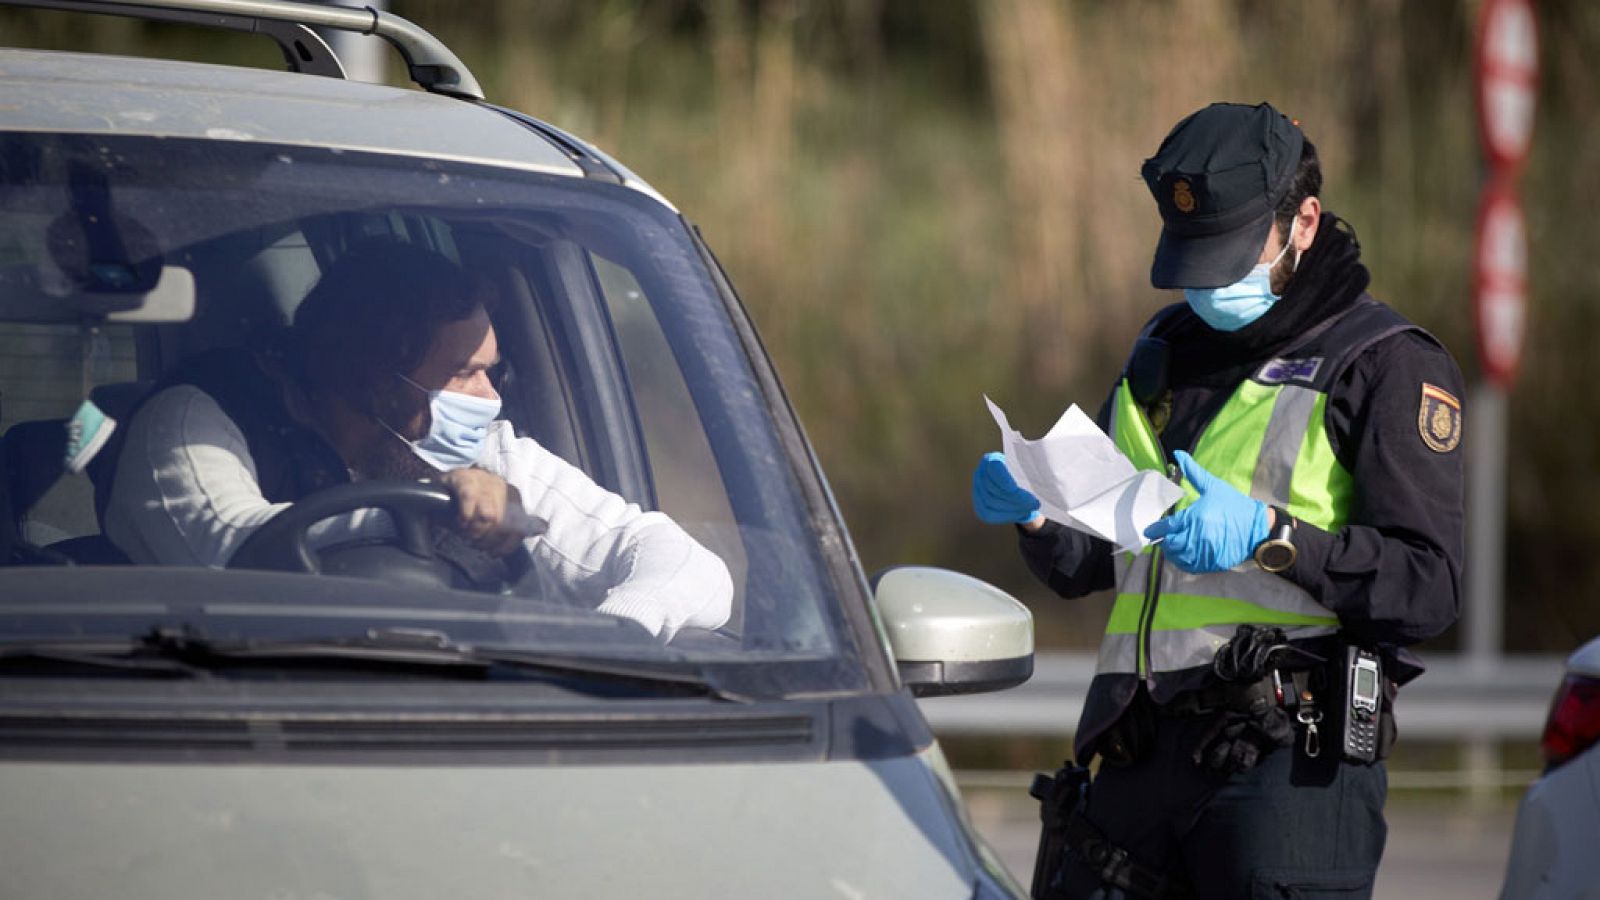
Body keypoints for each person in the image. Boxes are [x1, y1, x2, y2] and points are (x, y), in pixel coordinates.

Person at [972, 103, 1464, 897]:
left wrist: (1270, 535)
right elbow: (1095, 560)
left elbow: (1427, 587)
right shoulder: (1162, 357)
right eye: (1192, 258)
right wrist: (1038, 513)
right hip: (1136, 757)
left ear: (1303, 222)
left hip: (1286, 775)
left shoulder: (1383, 365)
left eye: (1229, 255)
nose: (1207, 282)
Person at [103, 241, 733, 642]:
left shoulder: (478, 450)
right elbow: (230, 553)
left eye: (493, 369)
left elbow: (683, 563)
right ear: (374, 379)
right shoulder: (190, 424)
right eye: (466, 372)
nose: (491, 398)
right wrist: (433, 509)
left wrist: (618, 634)